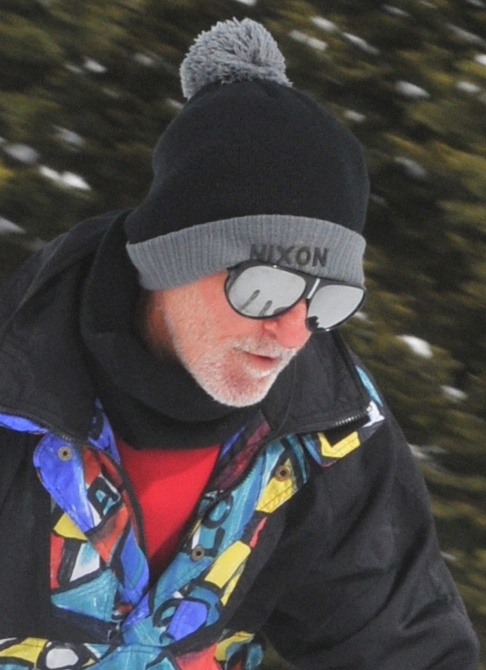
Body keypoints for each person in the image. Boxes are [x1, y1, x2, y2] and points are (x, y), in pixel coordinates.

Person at [0, 18, 479, 670]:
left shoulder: (326, 427)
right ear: (172, 259)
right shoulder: (19, 385)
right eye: (265, 289)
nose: (293, 333)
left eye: (327, 301)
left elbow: (406, 649)